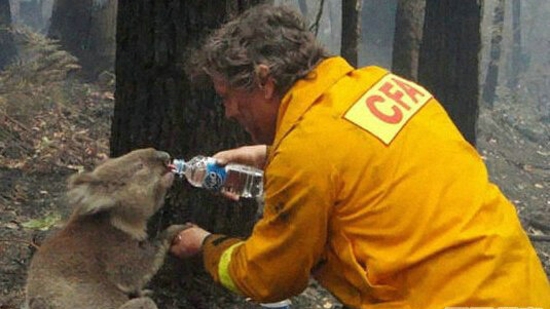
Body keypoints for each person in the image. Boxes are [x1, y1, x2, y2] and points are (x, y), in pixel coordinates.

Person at [170, 4, 550, 308]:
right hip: (519, 284)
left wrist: (204, 245)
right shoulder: (379, 84)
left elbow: (270, 277)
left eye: (227, 97)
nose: (229, 113)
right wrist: (268, 155)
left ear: (265, 81)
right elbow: (361, 164)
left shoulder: (306, 153)